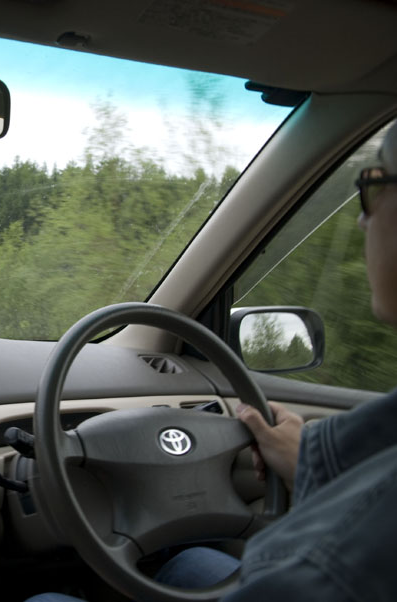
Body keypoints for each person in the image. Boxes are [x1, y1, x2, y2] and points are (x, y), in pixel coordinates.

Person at [27, 122, 397, 601]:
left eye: (373, 185)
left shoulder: (330, 565)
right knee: (190, 563)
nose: (363, 220)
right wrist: (309, 459)